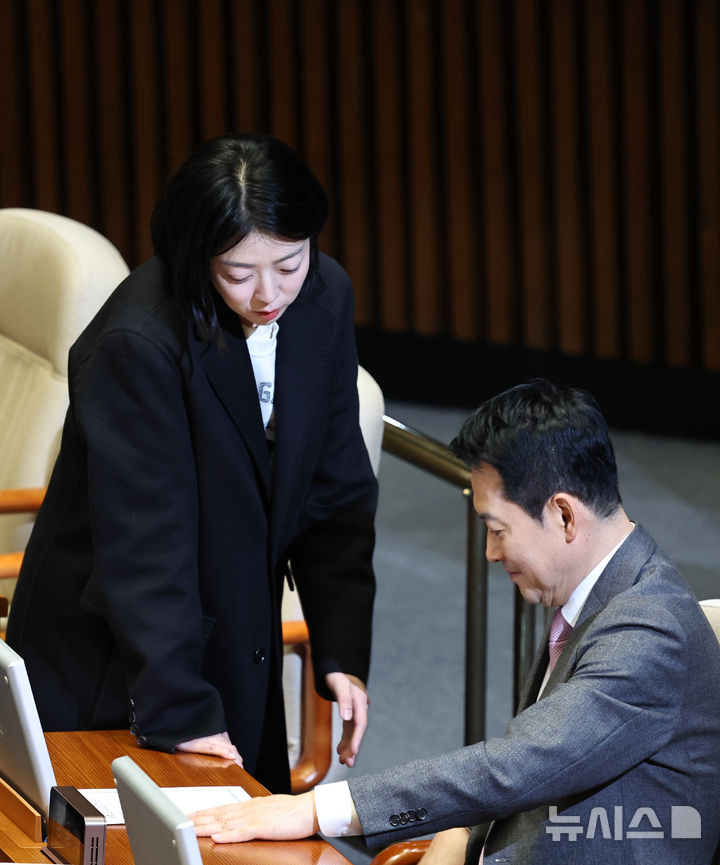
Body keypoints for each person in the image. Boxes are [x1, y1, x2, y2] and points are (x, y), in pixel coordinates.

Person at [190, 379, 720, 863]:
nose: (490, 553)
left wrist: (309, 810)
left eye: (497, 529)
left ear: (563, 515)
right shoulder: (598, 593)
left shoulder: (649, 633)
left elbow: (519, 767)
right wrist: (461, 833)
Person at [6, 133, 378, 794]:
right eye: (238, 271)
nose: (270, 293)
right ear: (194, 254)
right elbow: (147, 548)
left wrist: (342, 649)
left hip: (237, 626)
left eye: (289, 262)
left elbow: (335, 488)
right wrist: (179, 707)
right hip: (117, 659)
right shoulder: (140, 342)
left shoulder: (323, 298)